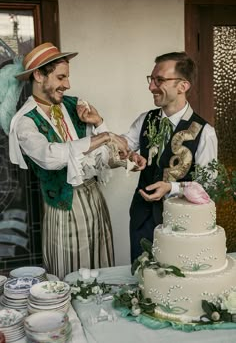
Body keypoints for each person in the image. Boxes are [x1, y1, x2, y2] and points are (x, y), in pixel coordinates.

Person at [7, 42, 130, 279]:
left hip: (95, 199)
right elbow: (50, 157)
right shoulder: (25, 121)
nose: (68, 85)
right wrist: (104, 137)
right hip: (64, 206)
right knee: (71, 274)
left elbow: (100, 157)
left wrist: (99, 123)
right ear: (39, 75)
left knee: (102, 270)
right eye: (61, 77)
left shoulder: (75, 106)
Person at [122, 51, 218, 263]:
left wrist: (172, 188)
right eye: (151, 79)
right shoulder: (144, 120)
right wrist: (128, 156)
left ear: (182, 86)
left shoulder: (205, 132)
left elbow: (208, 184)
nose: (151, 87)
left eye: (160, 80)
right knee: (144, 282)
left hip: (181, 226)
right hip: (142, 220)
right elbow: (120, 152)